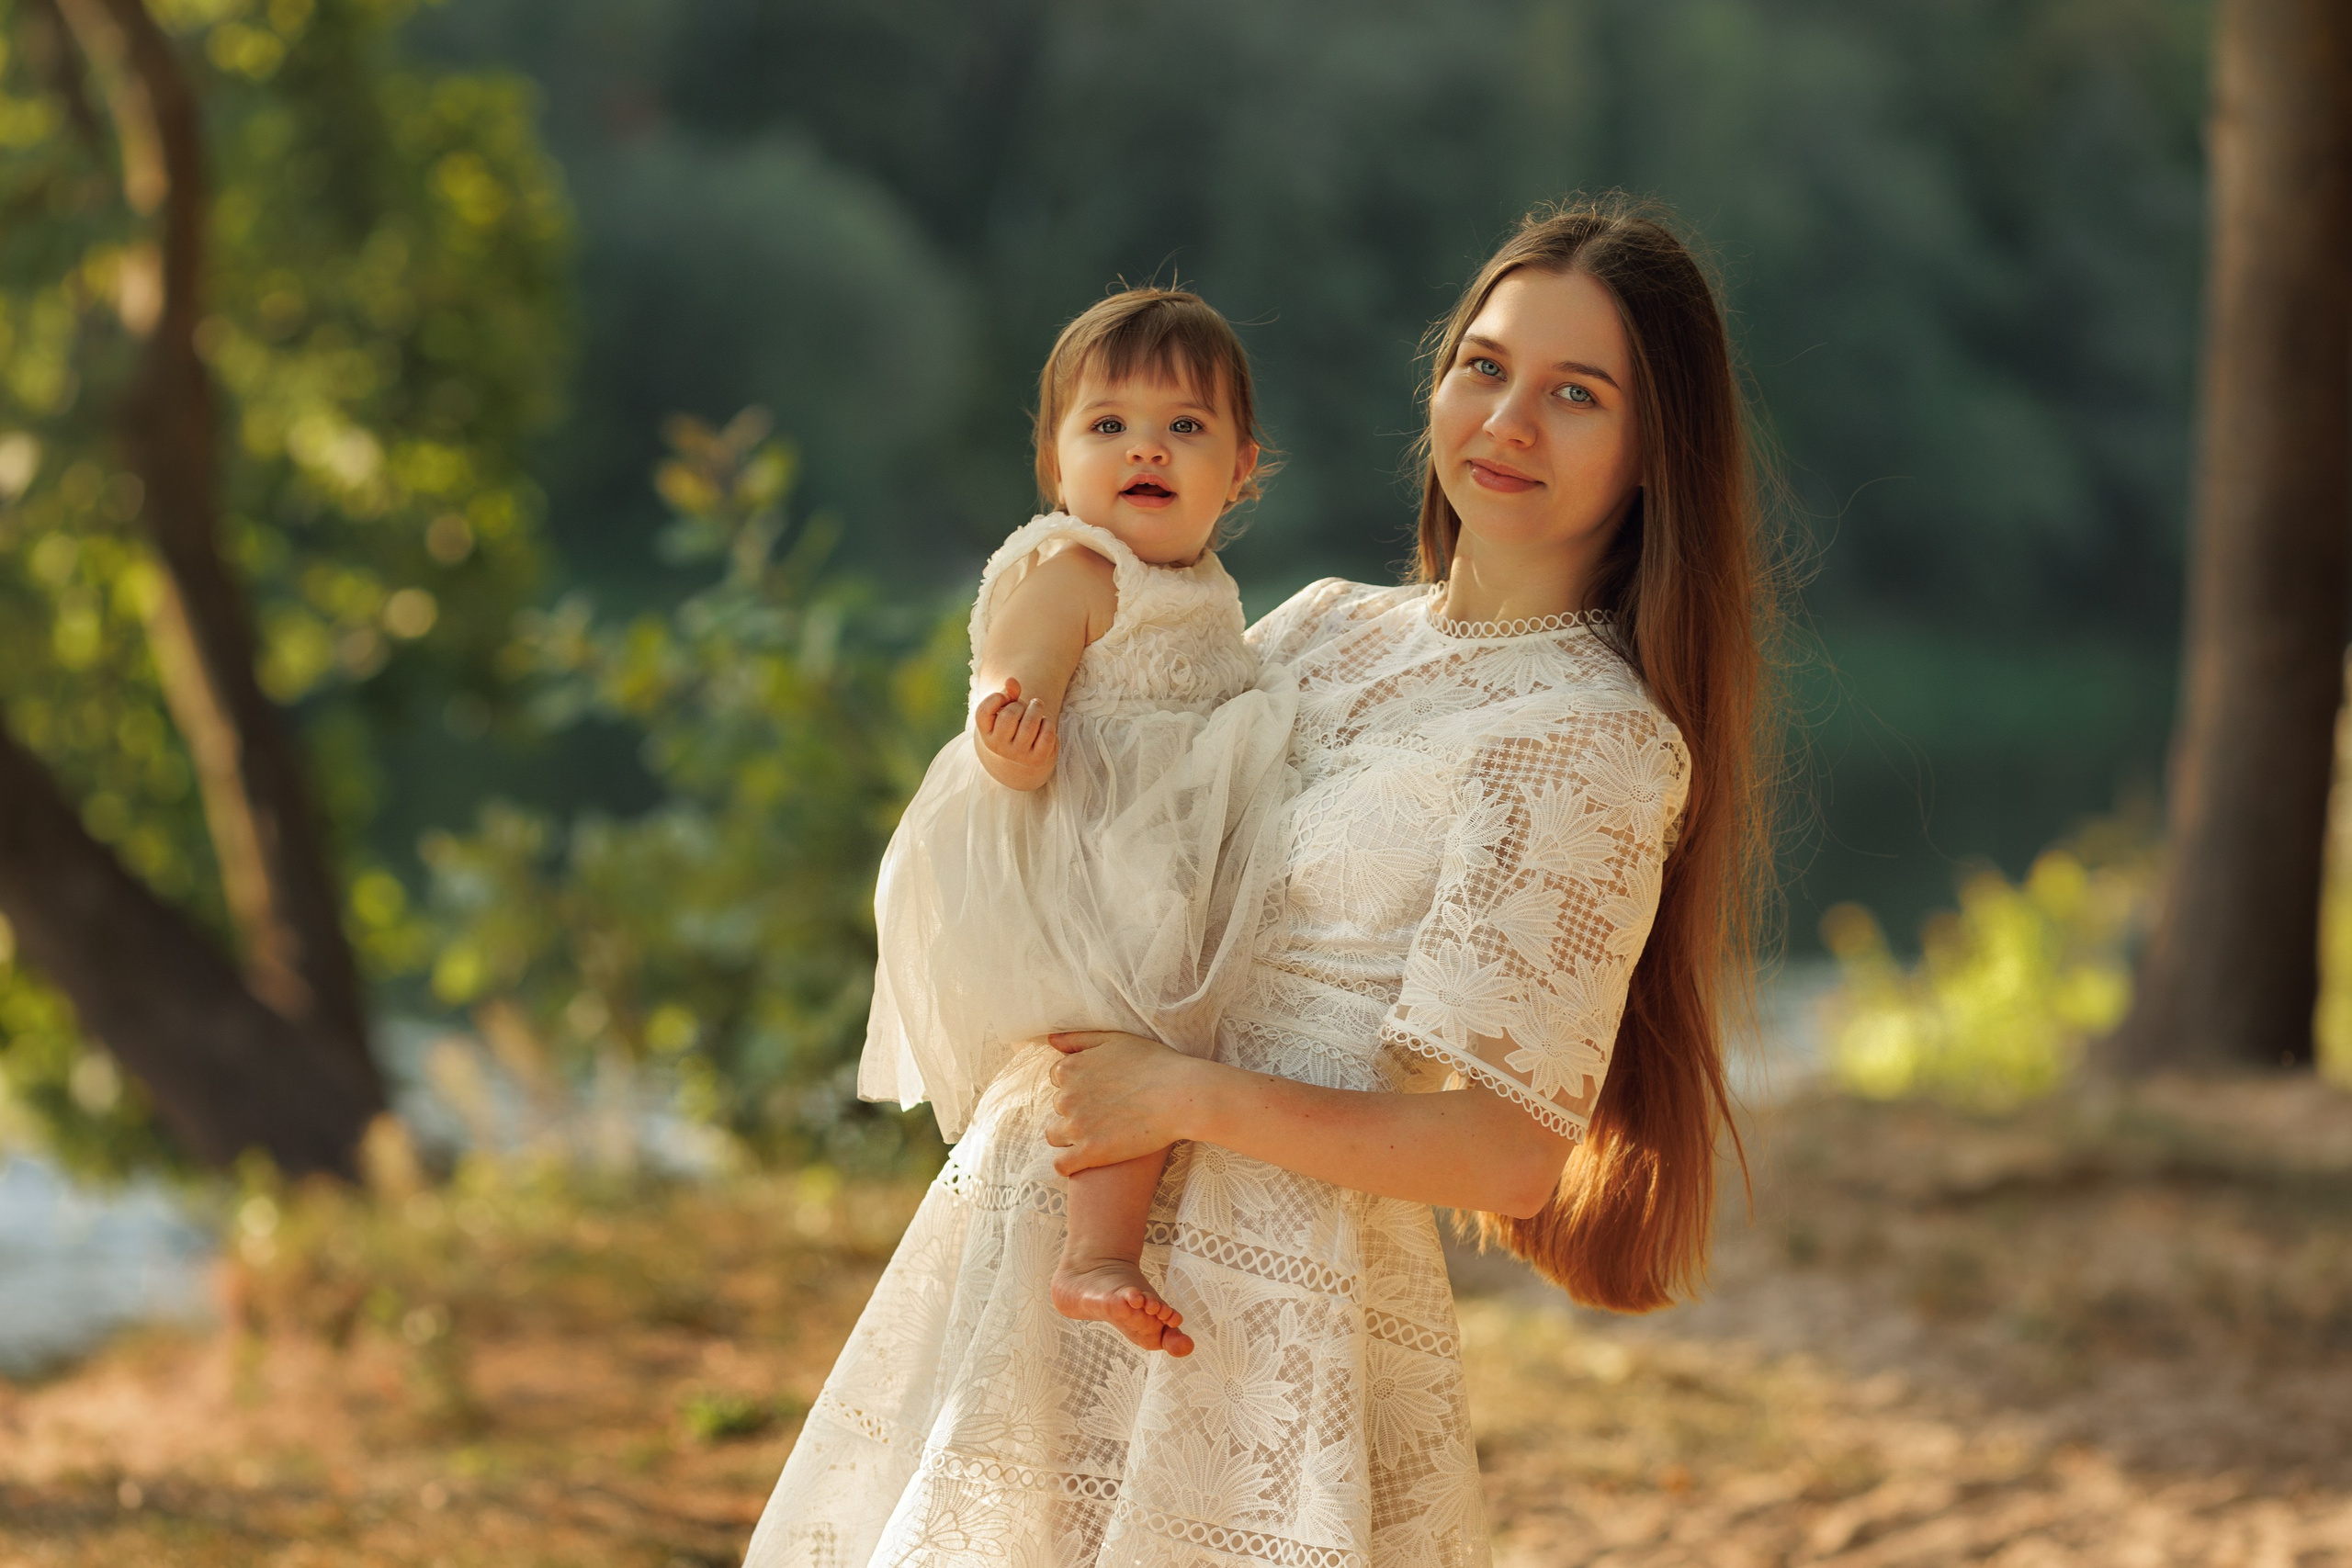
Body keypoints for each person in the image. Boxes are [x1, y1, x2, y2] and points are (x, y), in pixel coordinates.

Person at [745, 195, 1774, 1567]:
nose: (1508, 421)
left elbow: (1507, 1153)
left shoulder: (1589, 738)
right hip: (1050, 1202)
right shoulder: (1320, 627)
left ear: (1657, 452)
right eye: (1484, 366)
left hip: (1269, 1292)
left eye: (1576, 394)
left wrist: (1180, 1093)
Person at [857, 286, 1295, 1359]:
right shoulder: (1077, 567)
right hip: (1076, 847)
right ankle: (1095, 1254)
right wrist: (1013, 726)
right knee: (1123, 1047)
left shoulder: (1201, 586)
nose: (1145, 448)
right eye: (1108, 425)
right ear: (1057, 466)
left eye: (1184, 426)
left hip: (1153, 853)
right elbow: (1015, 664)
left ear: (1240, 469)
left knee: (1155, 1034)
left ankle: (1115, 1240)